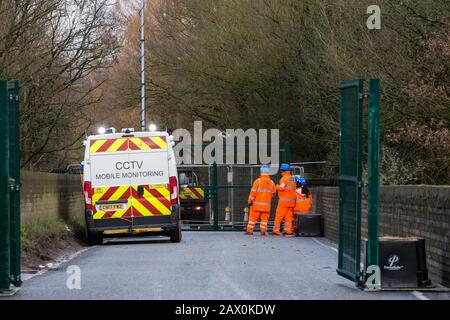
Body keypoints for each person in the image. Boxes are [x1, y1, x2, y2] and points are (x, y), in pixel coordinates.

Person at [246, 165, 276, 236]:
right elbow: (273, 195)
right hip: (266, 206)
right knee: (264, 220)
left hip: (256, 206)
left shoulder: (257, 181)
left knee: (252, 219)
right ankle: (263, 231)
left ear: (261, 172)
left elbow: (253, 193)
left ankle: (250, 231)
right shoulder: (272, 182)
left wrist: (250, 201)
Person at [273, 164, 296, 236]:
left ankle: (276, 231)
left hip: (284, 201)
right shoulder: (293, 178)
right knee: (288, 217)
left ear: (283, 171)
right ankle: (288, 231)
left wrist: (276, 186)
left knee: (279, 215)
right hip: (291, 201)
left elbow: (282, 188)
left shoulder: (284, 179)